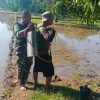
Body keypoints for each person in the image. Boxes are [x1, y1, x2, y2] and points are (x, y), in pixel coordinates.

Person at [32, 11, 56, 93]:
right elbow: (48, 38)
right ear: (47, 20)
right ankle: (47, 88)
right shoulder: (43, 28)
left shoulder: (39, 25)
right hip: (43, 54)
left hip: (37, 53)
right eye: (51, 20)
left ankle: (35, 84)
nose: (52, 21)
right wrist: (52, 32)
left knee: (36, 68)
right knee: (50, 71)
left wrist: (48, 29)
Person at [13, 10, 35, 90]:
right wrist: (27, 29)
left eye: (30, 17)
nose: (30, 18)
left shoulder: (30, 25)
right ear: (24, 17)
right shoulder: (17, 25)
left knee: (29, 63)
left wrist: (32, 29)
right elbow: (18, 34)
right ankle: (21, 83)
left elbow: (34, 35)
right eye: (29, 17)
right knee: (21, 65)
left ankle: (24, 79)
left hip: (29, 48)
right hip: (21, 49)